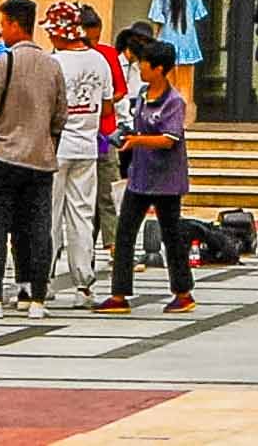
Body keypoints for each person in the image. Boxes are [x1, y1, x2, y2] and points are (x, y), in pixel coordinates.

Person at [0, 0, 59, 305]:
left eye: (5, 24)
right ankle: (37, 299)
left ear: (14, 24)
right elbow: (61, 116)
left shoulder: (6, 61)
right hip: (41, 159)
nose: (3, 30)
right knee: (38, 229)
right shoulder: (52, 63)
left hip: (4, 156)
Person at [98, 38, 197, 314]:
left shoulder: (174, 101)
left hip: (166, 180)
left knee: (171, 234)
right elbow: (137, 124)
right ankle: (119, 294)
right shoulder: (142, 94)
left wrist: (137, 141)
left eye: (144, 63)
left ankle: (183, 292)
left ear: (159, 68)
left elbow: (169, 139)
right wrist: (126, 134)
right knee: (125, 233)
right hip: (140, 176)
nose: (140, 67)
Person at [49, 1, 115, 294]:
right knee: (82, 216)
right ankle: (83, 283)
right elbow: (108, 106)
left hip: (56, 147)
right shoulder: (100, 60)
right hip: (87, 146)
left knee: (49, 214)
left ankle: (44, 279)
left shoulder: (54, 62)